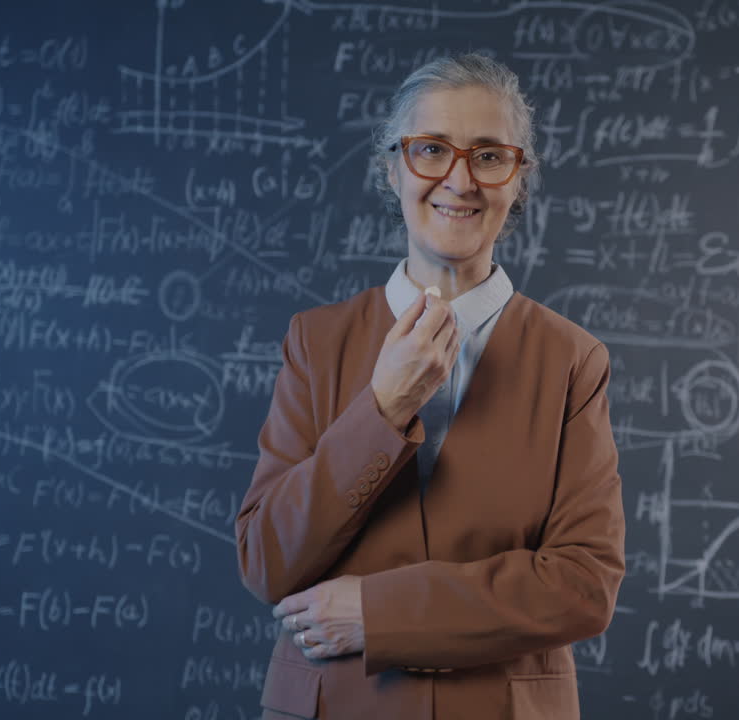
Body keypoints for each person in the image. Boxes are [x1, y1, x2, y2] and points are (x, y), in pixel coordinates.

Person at [236, 53, 625, 720]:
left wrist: (379, 614)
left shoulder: (571, 360)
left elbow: (583, 585)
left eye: (489, 156)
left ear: (517, 178)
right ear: (393, 167)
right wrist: (383, 408)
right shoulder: (316, 341)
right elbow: (268, 560)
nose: (459, 179)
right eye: (431, 150)